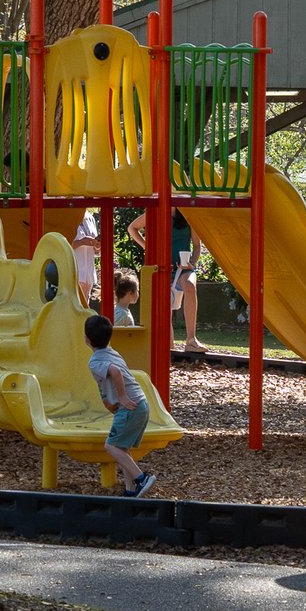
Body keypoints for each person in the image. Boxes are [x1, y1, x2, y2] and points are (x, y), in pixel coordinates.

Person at [84, 315, 158, 498]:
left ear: (87, 338)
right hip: (141, 404)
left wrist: (122, 397)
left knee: (111, 447)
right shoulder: (113, 352)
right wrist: (111, 401)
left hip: (129, 407)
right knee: (122, 448)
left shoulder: (95, 361)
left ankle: (141, 478)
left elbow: (115, 372)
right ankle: (130, 491)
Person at [126, 209, 207, 353]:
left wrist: (193, 263)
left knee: (190, 286)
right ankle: (169, 348)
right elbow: (132, 228)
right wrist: (147, 247)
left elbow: (196, 245)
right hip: (162, 267)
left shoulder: (188, 213)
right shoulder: (155, 212)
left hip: (183, 268)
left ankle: (191, 340)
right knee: (165, 308)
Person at [73, 208, 101, 306]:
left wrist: (97, 247)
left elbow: (95, 252)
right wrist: (81, 242)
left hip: (88, 275)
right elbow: (60, 245)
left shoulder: (90, 217)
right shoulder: (67, 216)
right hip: (72, 273)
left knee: (85, 309)